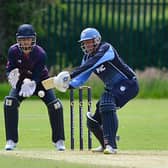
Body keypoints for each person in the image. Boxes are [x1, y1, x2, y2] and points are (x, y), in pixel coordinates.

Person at [52, 27, 139, 154]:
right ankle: (104, 145)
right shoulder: (87, 58)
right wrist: (67, 85)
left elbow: (92, 64)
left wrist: (70, 75)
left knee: (107, 102)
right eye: (84, 42)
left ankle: (111, 146)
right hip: (112, 88)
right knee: (93, 121)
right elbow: (81, 78)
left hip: (128, 83)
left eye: (89, 41)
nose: (87, 45)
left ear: (97, 40)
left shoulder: (106, 49)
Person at [4, 24, 65, 151]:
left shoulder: (40, 54)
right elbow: (9, 69)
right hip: (20, 83)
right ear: (18, 40)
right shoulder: (13, 51)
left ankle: (59, 140)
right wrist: (12, 77)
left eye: (28, 39)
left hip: (41, 81)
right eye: (22, 39)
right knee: (10, 102)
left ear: (33, 39)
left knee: (55, 105)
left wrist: (32, 83)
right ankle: (11, 140)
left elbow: (37, 75)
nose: (25, 42)